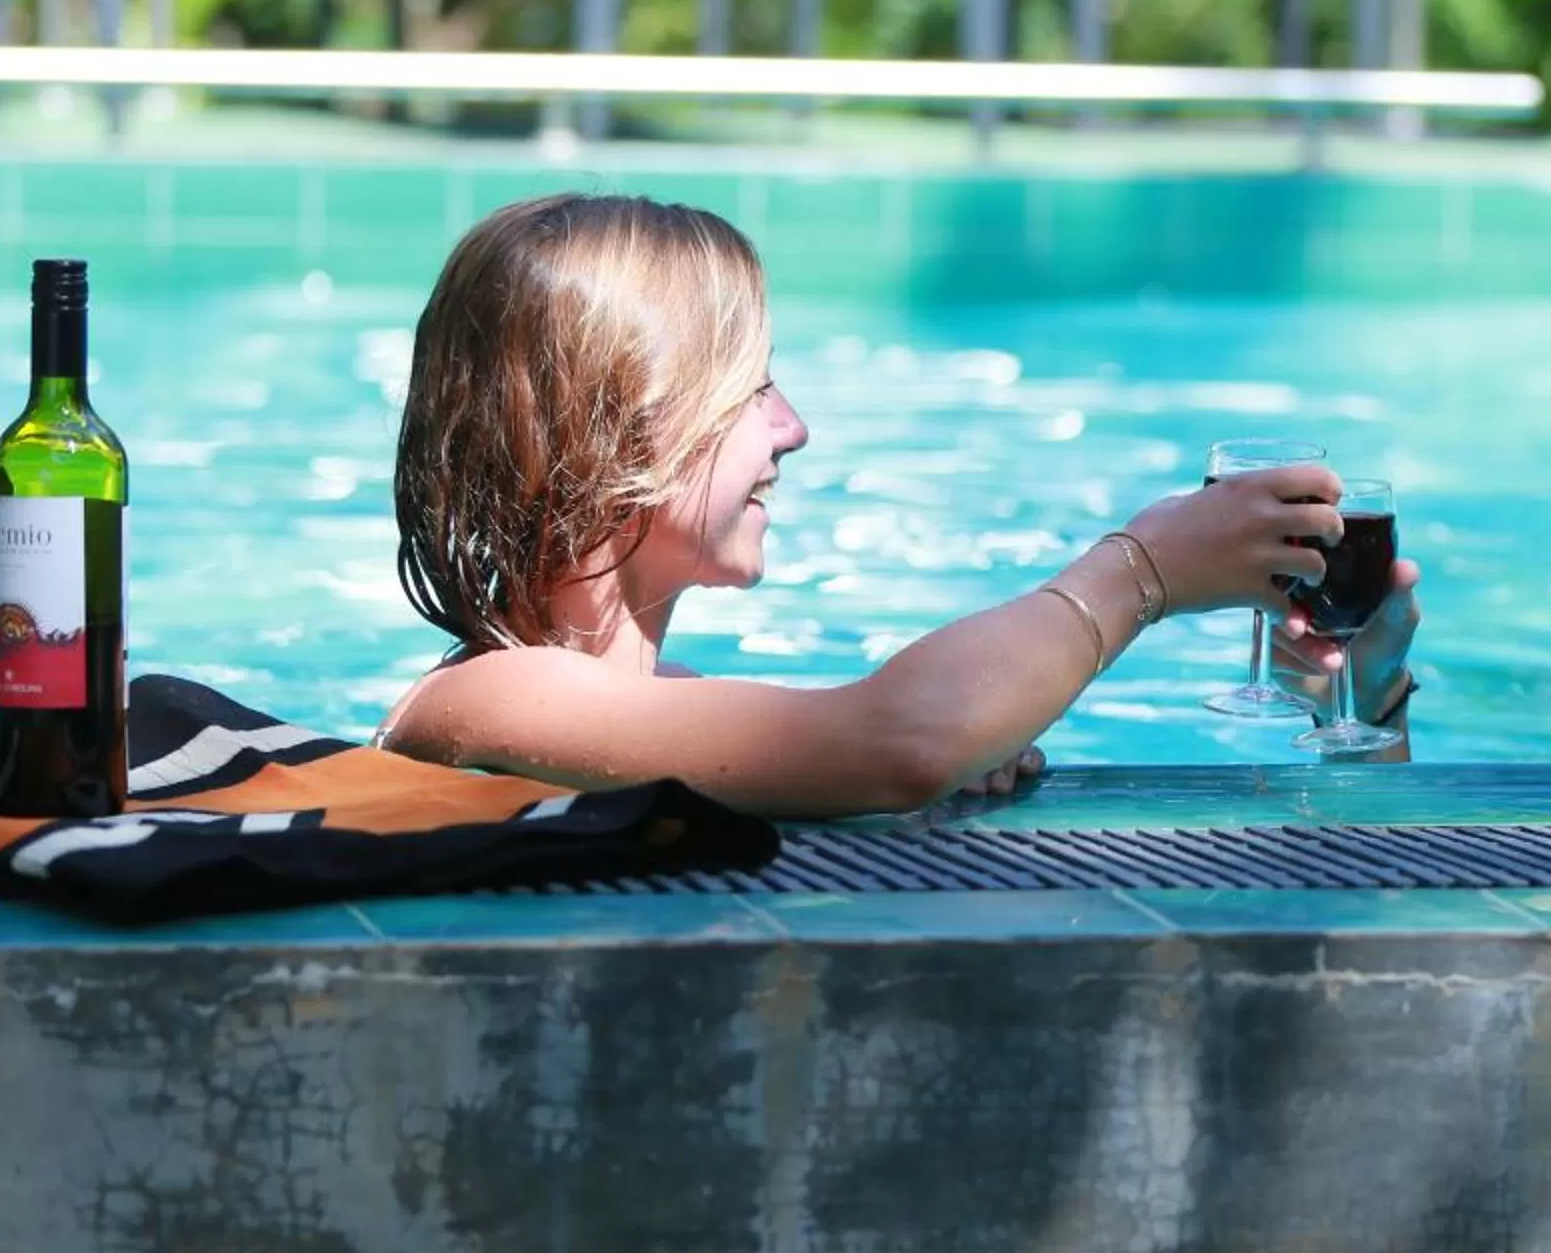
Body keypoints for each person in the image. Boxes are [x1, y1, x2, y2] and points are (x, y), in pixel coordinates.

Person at [376, 192, 1352, 818]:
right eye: (749, 390)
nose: (792, 427)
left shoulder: (662, 694)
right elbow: (896, 738)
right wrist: (1146, 570)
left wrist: (1368, 697)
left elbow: (894, 740)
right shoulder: (482, 702)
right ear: (610, 433)